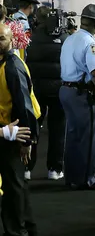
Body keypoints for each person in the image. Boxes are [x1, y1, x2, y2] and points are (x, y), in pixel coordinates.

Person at [60, 4, 95, 190]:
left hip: (66, 91)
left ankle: (72, 177)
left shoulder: (69, 39)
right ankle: (86, 179)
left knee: (73, 135)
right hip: (82, 94)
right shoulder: (92, 44)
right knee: (89, 137)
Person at [0, 24, 40, 236]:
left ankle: (17, 231)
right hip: (6, 132)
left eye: (2, 39)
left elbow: (25, 107)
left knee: (14, 187)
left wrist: (25, 142)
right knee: (17, 186)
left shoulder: (13, 67)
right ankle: (26, 229)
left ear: (12, 41)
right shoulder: (3, 64)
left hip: (13, 134)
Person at [26, 6, 68, 181]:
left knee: (32, 130)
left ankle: (27, 167)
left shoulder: (32, 38)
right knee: (58, 131)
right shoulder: (66, 38)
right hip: (59, 90)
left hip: (36, 91)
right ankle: (55, 169)